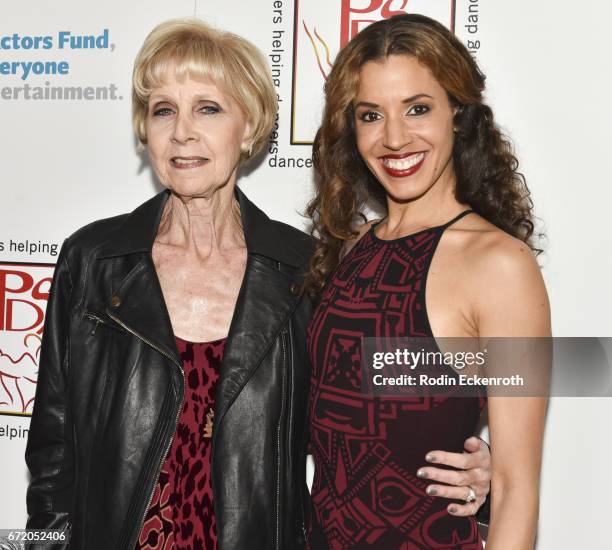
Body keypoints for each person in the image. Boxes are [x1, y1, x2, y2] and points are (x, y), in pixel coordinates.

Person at [25, 17, 492, 550]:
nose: (182, 132)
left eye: (208, 108)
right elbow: (52, 452)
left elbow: (376, 410)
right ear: (145, 131)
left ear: (247, 128)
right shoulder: (93, 260)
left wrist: (488, 469)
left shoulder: (306, 268)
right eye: (162, 111)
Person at [305, 13, 549, 550]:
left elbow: (514, 488)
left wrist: (489, 472)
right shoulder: (349, 250)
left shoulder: (501, 266)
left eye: (418, 108)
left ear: (457, 115)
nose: (395, 138)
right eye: (371, 115)